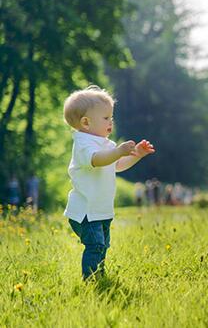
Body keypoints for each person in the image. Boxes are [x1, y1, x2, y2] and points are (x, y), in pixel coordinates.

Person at [63, 85, 155, 280]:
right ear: (86, 123)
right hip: (86, 211)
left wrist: (136, 154)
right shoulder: (83, 144)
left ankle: (99, 274)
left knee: (103, 245)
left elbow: (117, 165)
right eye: (106, 118)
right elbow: (96, 160)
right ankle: (91, 279)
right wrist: (117, 152)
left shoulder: (107, 145)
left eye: (111, 117)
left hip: (101, 209)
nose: (111, 121)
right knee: (95, 245)